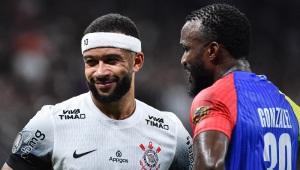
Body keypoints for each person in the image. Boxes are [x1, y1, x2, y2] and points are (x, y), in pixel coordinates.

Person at [2, 14, 193, 170]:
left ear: (137, 62)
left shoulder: (171, 131)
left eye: (112, 60)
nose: (100, 72)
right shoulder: (50, 122)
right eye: (91, 62)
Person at [180, 3, 300, 170]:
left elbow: (210, 166)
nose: (183, 59)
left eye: (187, 49)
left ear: (212, 51)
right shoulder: (285, 102)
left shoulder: (215, 96)